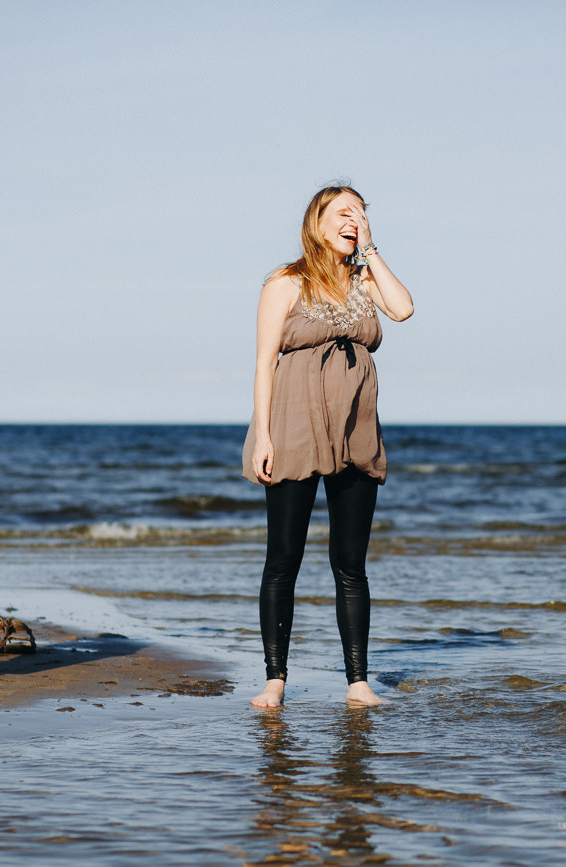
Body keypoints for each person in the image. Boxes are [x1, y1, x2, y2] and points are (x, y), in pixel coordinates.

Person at [242, 185, 414, 708]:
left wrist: (372, 250)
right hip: (293, 424)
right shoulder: (286, 282)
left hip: (356, 426)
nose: (353, 220)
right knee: (284, 557)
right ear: (316, 223)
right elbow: (263, 361)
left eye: (360, 214)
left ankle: (357, 683)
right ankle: (275, 680)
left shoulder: (365, 280)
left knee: (351, 562)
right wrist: (262, 434)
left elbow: (404, 309)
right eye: (342, 212)